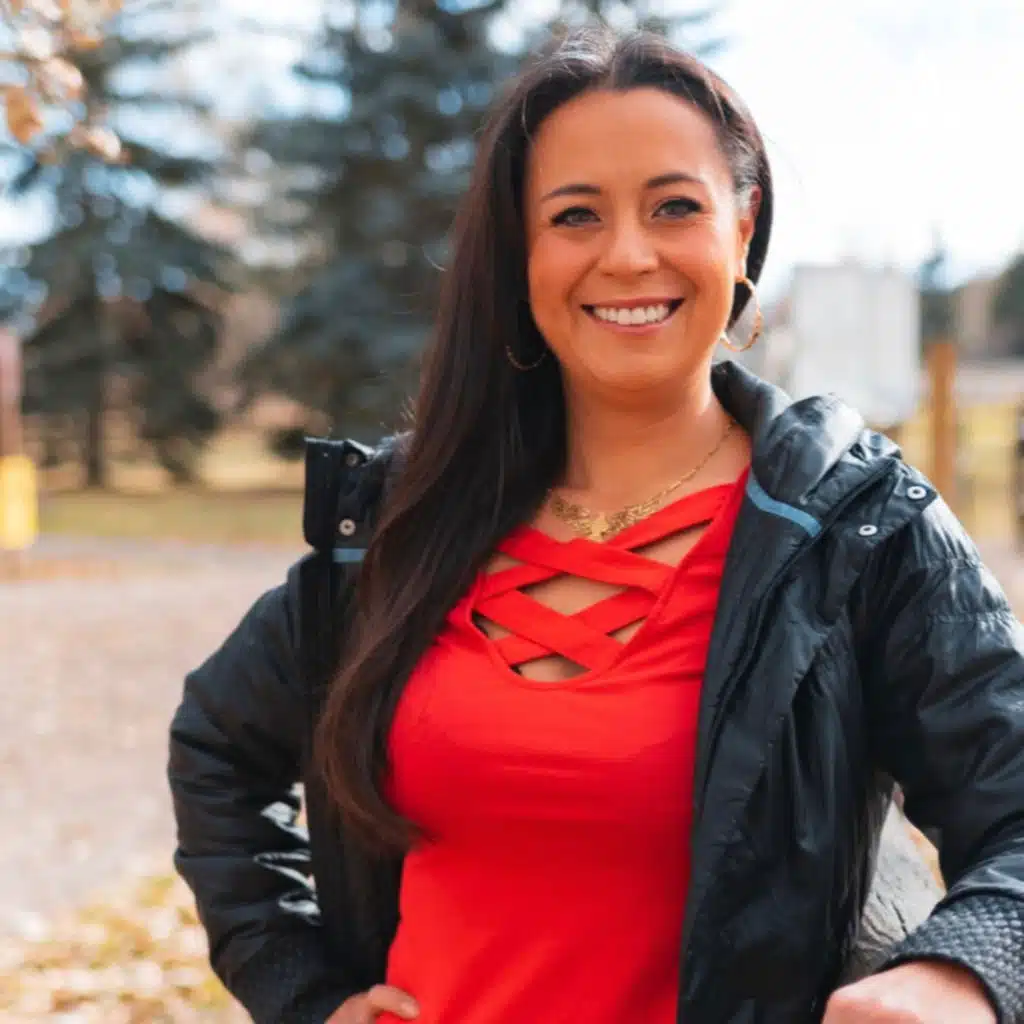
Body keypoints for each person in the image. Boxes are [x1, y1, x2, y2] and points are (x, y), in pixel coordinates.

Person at [168, 27, 1024, 1024]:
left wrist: (957, 973)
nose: (627, 255)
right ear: (521, 253)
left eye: (674, 207)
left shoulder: (855, 528)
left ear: (742, 228)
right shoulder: (407, 520)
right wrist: (302, 989)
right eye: (575, 215)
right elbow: (218, 748)